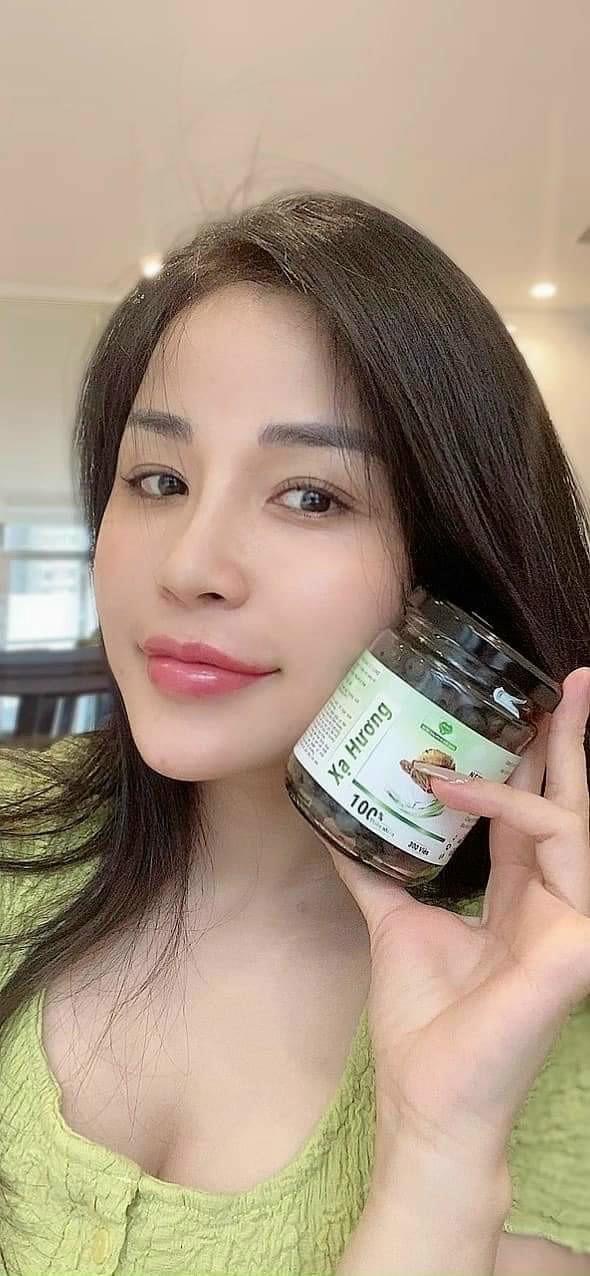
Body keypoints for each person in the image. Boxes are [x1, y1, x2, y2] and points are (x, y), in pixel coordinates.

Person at [1, 189, 589, 1275]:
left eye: (312, 496)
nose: (190, 565)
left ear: (447, 580)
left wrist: (442, 1151)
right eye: (159, 479)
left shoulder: (545, 1015)